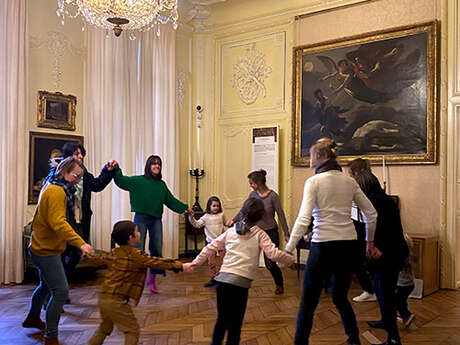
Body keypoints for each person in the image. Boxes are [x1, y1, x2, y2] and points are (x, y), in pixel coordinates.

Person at [285, 139, 378, 345]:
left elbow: (303, 219)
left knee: (308, 302)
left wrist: (289, 248)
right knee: (340, 297)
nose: (310, 160)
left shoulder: (314, 182)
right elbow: (372, 214)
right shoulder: (349, 181)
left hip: (323, 245)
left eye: (311, 156)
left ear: (319, 156)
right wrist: (369, 242)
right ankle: (354, 339)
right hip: (348, 246)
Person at [184, 198, 294, 345]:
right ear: (261, 216)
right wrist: (290, 259)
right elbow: (273, 254)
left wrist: (195, 263)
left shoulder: (230, 232)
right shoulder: (260, 234)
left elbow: (209, 248)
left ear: (242, 212)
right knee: (235, 325)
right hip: (240, 285)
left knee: (222, 321)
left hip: (222, 282)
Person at [22, 157, 95, 345]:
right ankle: (51, 336)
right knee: (61, 291)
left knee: (45, 286)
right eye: (75, 175)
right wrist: (81, 243)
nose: (77, 180)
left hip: (40, 247)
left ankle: (32, 318)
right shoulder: (56, 191)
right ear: (64, 172)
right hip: (46, 250)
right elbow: (58, 223)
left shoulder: (51, 183)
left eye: (80, 177)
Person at [88, 220, 190, 345]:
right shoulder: (136, 255)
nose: (139, 233)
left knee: (104, 329)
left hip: (104, 298)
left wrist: (89, 254)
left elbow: (98, 259)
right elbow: (156, 262)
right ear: (131, 238)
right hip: (116, 301)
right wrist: (180, 266)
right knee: (132, 331)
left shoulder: (114, 252)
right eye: (137, 231)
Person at [349, 158, 409, 345]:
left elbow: (383, 231)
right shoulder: (378, 199)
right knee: (384, 292)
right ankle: (386, 321)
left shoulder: (378, 203)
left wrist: (376, 249)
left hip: (387, 254)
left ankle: (393, 338)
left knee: (384, 294)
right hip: (385, 253)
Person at [114, 155, 192, 294]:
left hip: (156, 219)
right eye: (153, 164)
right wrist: (116, 169)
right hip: (141, 218)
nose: (156, 166)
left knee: (156, 249)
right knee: (138, 249)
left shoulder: (161, 185)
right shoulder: (138, 181)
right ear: (148, 166)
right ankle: (135, 280)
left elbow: (171, 201)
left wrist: (185, 208)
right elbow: (122, 181)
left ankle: (152, 279)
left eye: (159, 164)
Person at [42, 142, 117, 280]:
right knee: (62, 253)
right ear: (68, 157)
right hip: (64, 221)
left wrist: (108, 171)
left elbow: (97, 184)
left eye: (82, 154)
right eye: (77, 153)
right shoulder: (56, 176)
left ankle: (63, 281)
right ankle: (59, 286)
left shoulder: (83, 173)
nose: (81, 156)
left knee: (76, 254)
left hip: (80, 220)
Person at [226, 169, 290, 295]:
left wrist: (287, 233)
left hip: (270, 232)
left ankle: (279, 284)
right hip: (254, 232)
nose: (250, 185)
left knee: (270, 263)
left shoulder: (273, 196)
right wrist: (233, 221)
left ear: (258, 183)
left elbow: (281, 215)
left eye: (251, 183)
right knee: (246, 259)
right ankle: (239, 284)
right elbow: (244, 211)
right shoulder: (253, 195)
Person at [188, 196, 227, 287]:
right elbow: (197, 224)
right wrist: (191, 218)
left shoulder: (221, 215)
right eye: (214, 206)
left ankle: (224, 278)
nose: (216, 208)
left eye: (217, 206)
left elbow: (226, 223)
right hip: (211, 243)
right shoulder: (205, 217)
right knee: (211, 262)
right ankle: (214, 278)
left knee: (225, 260)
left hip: (221, 242)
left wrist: (231, 223)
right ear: (209, 206)